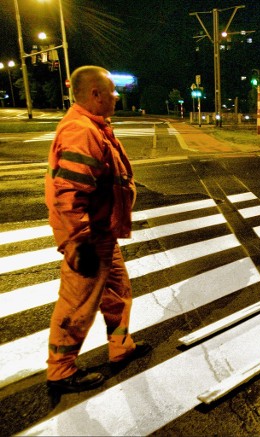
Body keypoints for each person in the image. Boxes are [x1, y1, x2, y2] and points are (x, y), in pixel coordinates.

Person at [45, 66, 151, 393]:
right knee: (77, 303)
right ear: (95, 95)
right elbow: (68, 195)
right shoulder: (82, 131)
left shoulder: (95, 126)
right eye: (112, 91)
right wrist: (78, 242)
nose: (117, 96)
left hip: (103, 233)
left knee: (117, 291)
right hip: (89, 239)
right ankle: (61, 372)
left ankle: (121, 348)